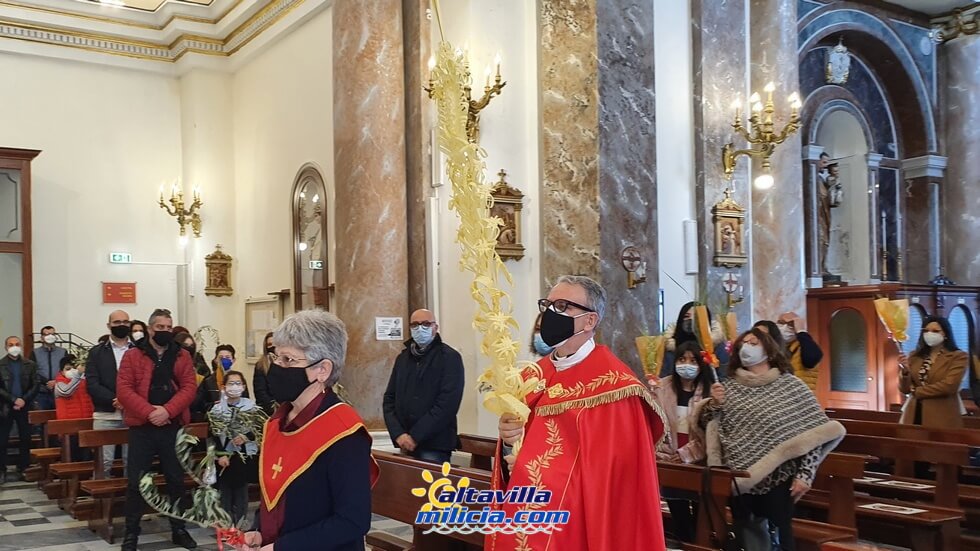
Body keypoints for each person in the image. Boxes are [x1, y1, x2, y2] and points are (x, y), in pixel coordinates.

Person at [492, 275, 668, 551]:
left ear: (590, 321)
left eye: (563, 306)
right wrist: (508, 442)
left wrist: (537, 470)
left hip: (577, 525)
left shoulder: (616, 386)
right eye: (548, 305)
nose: (551, 313)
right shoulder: (532, 377)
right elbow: (514, 453)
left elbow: (615, 479)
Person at [694, 328, 845, 551]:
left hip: (778, 480)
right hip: (739, 479)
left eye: (754, 343)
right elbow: (708, 426)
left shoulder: (790, 386)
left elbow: (815, 434)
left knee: (780, 541)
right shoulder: (728, 387)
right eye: (743, 344)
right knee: (747, 539)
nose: (747, 348)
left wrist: (806, 474)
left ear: (769, 350)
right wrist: (714, 404)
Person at [243, 310, 377, 551]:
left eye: (288, 360)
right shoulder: (279, 421)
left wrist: (281, 547)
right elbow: (275, 494)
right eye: (276, 357)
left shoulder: (344, 433)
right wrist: (259, 531)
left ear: (323, 369)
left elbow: (352, 521)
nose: (277, 367)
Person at [116, 308, 198, 551]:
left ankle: (179, 529)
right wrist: (150, 412)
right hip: (142, 427)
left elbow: (189, 388)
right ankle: (131, 533)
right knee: (136, 483)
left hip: (172, 426)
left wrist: (167, 411)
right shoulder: (133, 354)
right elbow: (124, 390)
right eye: (160, 327)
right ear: (150, 329)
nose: (165, 331)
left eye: (168, 327)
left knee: (176, 480)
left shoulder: (182, 355)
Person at [383, 309, 464, 465]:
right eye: (415, 325)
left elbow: (447, 404)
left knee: (431, 481)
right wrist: (398, 433)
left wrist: (415, 436)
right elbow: (389, 398)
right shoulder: (403, 358)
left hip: (435, 444)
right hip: (404, 442)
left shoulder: (449, 357)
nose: (420, 328)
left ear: (435, 327)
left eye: (426, 324)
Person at [651, 341, 710, 543]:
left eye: (693, 361)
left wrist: (686, 454)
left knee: (702, 524)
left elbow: (710, 433)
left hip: (700, 463)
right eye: (682, 359)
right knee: (680, 522)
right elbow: (656, 424)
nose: (687, 365)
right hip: (670, 462)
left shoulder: (710, 390)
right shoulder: (662, 388)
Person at [898, 316, 968, 429]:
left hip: (941, 415)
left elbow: (949, 386)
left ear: (945, 334)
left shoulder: (958, 356)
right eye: (926, 331)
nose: (929, 334)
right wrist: (905, 372)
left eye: (935, 331)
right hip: (913, 412)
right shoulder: (914, 356)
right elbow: (905, 389)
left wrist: (917, 391)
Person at [85, 309, 133, 478]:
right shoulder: (96, 352)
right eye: (117, 322)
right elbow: (92, 384)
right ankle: (100, 495)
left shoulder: (139, 350)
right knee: (103, 462)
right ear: (109, 325)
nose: (121, 325)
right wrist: (115, 399)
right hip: (105, 414)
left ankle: (131, 494)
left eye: (125, 322)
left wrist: (128, 401)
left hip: (133, 413)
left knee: (132, 461)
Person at [210, 370, 259, 526]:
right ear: (224, 387)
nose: (235, 387)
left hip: (243, 454)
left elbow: (259, 428)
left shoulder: (251, 406)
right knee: (225, 490)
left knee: (241, 490)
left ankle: (240, 522)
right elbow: (214, 434)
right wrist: (221, 454)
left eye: (238, 383)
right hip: (225, 455)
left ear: (243, 386)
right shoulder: (217, 409)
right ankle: (226, 524)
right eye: (231, 383)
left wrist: (246, 437)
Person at [0, 336, 40, 483]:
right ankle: (1, 469)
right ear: (6, 347)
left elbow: (35, 384)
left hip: (25, 405)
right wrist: (13, 400)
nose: (14, 347)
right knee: (2, 440)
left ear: (21, 346)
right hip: (5, 407)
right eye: (11, 344)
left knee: (26, 438)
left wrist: (23, 400)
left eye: (17, 344)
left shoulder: (30, 364)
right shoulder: (1, 364)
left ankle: (24, 468)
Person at [660, 301, 729, 380]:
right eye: (686, 316)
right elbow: (663, 379)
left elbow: (724, 379)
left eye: (697, 317)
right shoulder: (670, 351)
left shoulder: (719, 348)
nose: (691, 320)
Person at [54, 355, 93, 461]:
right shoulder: (59, 383)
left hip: (86, 425)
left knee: (87, 458)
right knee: (72, 456)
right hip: (69, 428)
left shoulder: (84, 381)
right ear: (61, 371)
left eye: (74, 368)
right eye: (68, 369)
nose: (71, 371)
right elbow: (66, 391)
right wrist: (77, 376)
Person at [31, 325, 67, 411]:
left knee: (59, 417)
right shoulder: (35, 353)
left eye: (52, 334)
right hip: (41, 393)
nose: (50, 336)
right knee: (40, 417)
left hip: (59, 391)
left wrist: (56, 381)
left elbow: (66, 370)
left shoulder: (63, 352)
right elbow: (33, 372)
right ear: (42, 338)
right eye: (46, 334)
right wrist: (46, 382)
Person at [195, 345, 239, 413]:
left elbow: (245, 400)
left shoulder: (238, 380)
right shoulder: (208, 381)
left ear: (233, 360)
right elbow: (199, 404)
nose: (224, 360)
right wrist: (213, 405)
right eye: (221, 358)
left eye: (227, 357)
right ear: (215, 360)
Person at [251, 332, 277, 414]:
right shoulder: (261, 365)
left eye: (275, 343)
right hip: (268, 409)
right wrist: (273, 409)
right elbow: (260, 391)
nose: (273, 347)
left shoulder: (288, 363)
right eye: (269, 344)